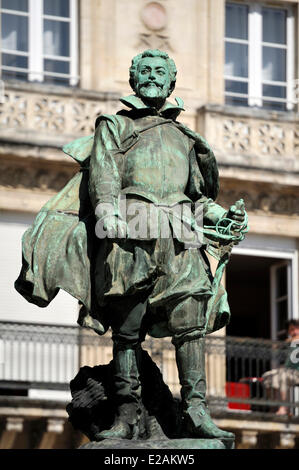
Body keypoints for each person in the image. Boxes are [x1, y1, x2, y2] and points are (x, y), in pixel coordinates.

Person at [15, 49, 248, 441]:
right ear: (133, 79)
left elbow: (198, 199)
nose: (153, 77)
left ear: (172, 82)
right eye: (145, 71)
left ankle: (195, 410)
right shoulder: (114, 125)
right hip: (130, 235)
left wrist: (222, 217)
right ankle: (125, 414)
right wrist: (107, 213)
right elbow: (103, 175)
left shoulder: (185, 138)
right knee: (128, 330)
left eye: (160, 72)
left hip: (180, 236)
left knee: (191, 325)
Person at [262, 319, 299, 416]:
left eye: (297, 329)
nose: (295, 332)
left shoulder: (294, 341)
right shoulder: (289, 343)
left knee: (282, 375)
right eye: (292, 330)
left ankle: (284, 408)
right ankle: (274, 407)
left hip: (297, 373)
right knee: (267, 376)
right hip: (289, 371)